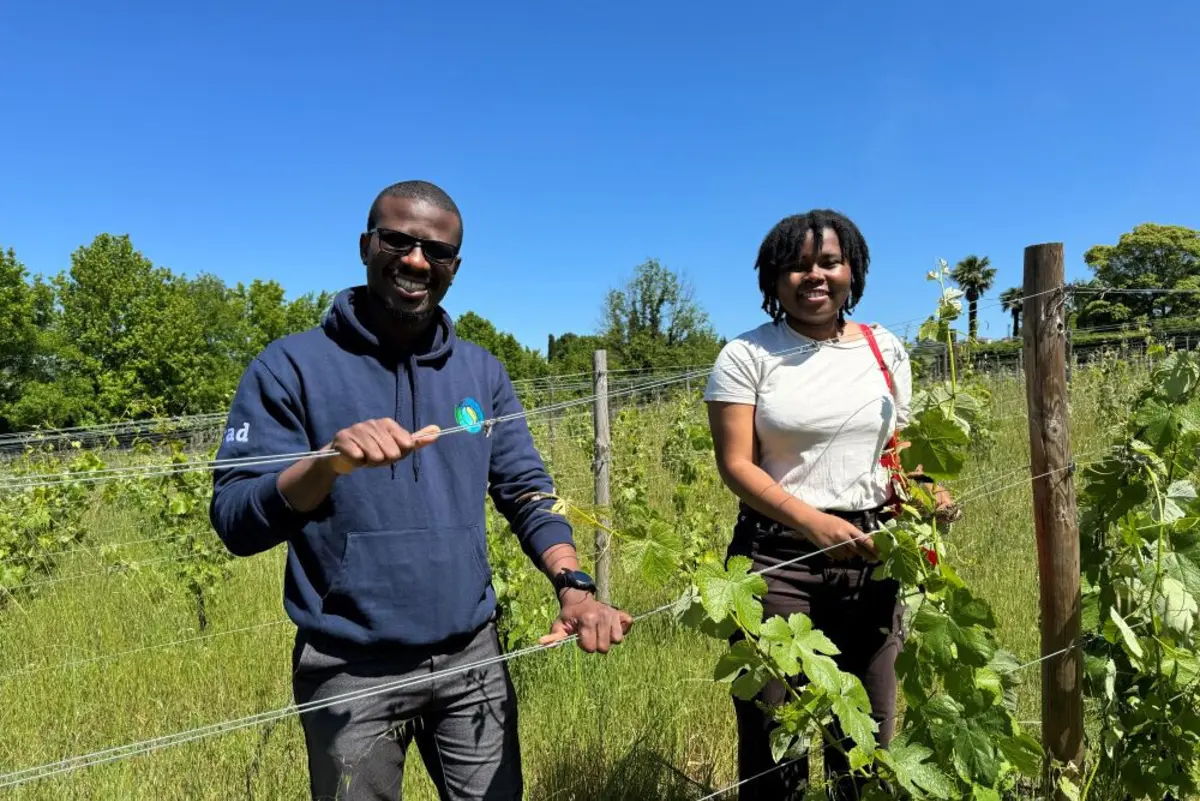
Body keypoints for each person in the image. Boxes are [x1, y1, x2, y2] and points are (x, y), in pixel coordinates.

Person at [209, 179, 633, 801]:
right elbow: (235, 520)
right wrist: (325, 465)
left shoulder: (480, 372)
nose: (415, 260)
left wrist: (573, 585)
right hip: (350, 670)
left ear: (454, 269)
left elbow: (525, 489)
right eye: (398, 240)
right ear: (366, 245)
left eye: (436, 251)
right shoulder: (288, 367)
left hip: (473, 658)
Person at [703, 210, 923, 799]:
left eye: (829, 262)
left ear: (853, 270)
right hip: (777, 561)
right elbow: (737, 465)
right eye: (797, 267)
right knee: (777, 738)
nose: (814, 277)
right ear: (773, 281)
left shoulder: (885, 348)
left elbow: (896, 450)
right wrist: (812, 522)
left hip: (873, 555)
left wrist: (924, 494)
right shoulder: (746, 356)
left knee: (867, 735)